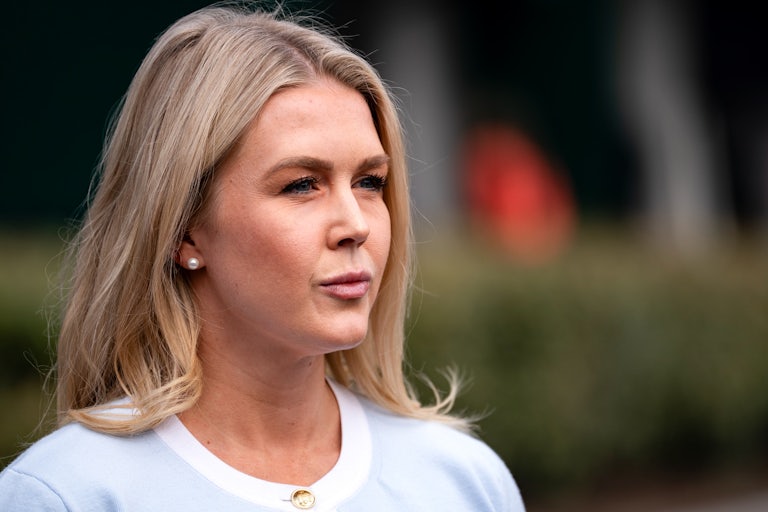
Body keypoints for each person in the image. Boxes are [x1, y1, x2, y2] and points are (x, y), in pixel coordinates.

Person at [0, 4, 525, 510]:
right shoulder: (68, 493)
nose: (357, 225)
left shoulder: (464, 481)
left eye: (370, 182)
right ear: (185, 229)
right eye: (302, 185)